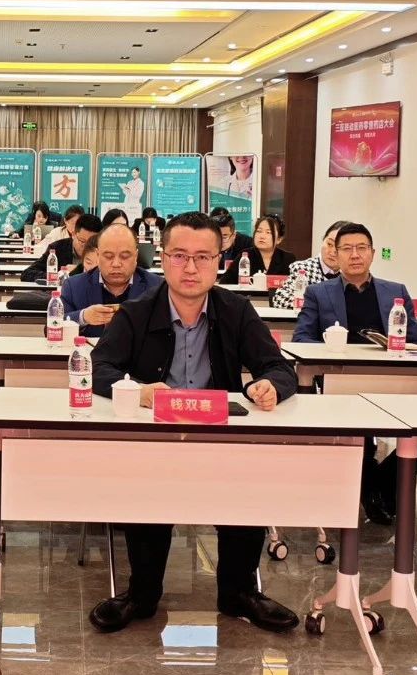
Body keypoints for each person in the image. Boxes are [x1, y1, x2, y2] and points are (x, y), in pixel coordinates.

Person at [90, 212, 299, 634]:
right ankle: (141, 593)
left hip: (221, 437)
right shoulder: (136, 312)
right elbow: (99, 368)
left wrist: (269, 386)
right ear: (162, 258)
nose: (190, 267)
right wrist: (138, 390)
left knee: (247, 485)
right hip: (156, 437)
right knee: (147, 491)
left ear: (219, 261)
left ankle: (240, 592)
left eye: (203, 257)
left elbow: (279, 368)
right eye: (180, 256)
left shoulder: (236, 311)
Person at [292, 221, 417, 524]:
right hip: (341, 383)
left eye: (361, 248)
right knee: (356, 431)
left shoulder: (396, 292)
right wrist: (332, 346)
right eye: (347, 249)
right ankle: (374, 489)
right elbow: (301, 339)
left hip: (392, 383)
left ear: (373, 253)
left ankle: (379, 481)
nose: (355, 255)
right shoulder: (319, 293)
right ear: (335, 255)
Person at [62, 224, 162, 337]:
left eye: (124, 256)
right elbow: (55, 325)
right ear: (98, 255)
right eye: (109, 256)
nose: (116, 264)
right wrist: (83, 317)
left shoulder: (156, 286)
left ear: (136, 256)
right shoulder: (73, 286)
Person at [270, 220, 348, 309]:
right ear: (323, 240)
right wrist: (319, 305)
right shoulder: (303, 269)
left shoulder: (350, 275)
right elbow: (280, 299)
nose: (332, 252)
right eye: (329, 244)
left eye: (339, 248)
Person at [21, 213, 101, 283]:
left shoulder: (102, 252)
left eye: (92, 243)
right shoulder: (57, 248)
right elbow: (27, 273)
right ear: (73, 234)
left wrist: (78, 270)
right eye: (82, 241)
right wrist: (58, 275)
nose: (87, 247)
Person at [220, 214, 296, 283]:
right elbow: (225, 282)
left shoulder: (288, 259)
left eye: (268, 232)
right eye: (259, 231)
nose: (262, 236)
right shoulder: (245, 256)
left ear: (279, 239)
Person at [210, 208, 253, 272]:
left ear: (234, 235)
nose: (220, 241)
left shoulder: (247, 244)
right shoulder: (206, 244)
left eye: (224, 237)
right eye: (216, 236)